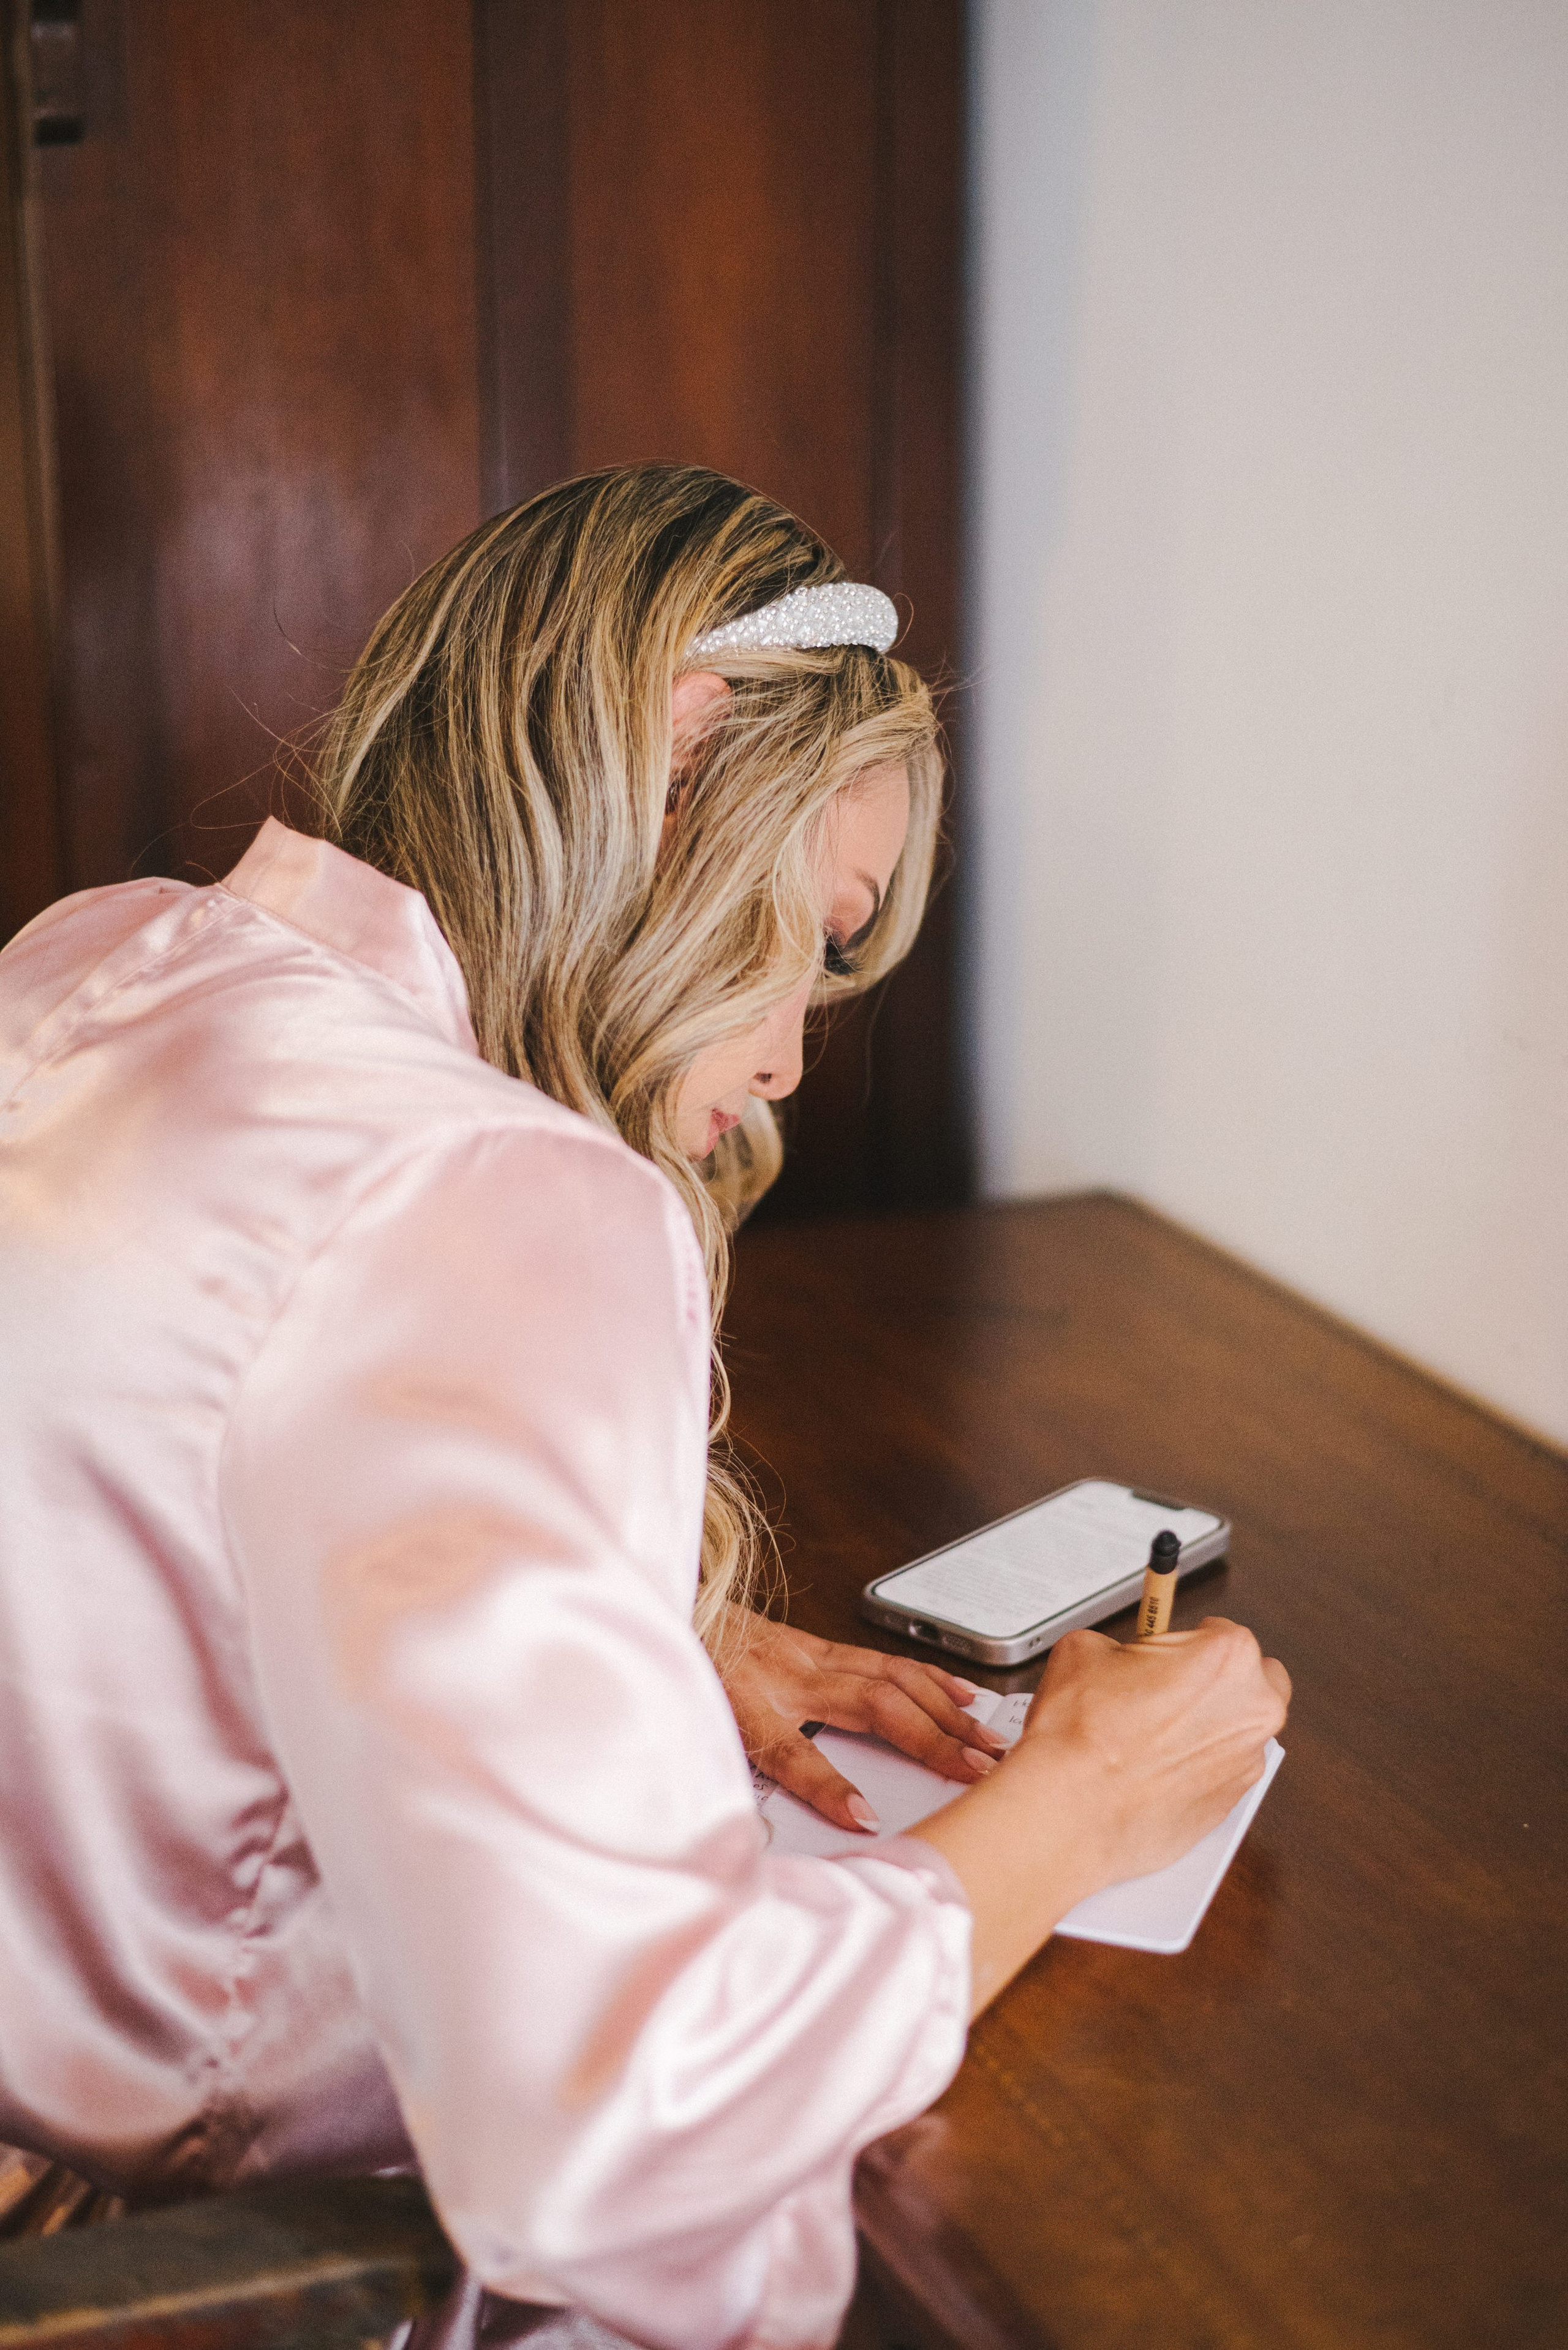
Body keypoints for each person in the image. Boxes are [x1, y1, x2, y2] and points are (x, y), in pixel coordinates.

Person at [0, 464, 1289, 2349]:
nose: (778, 1059)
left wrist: (626, 1644)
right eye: (809, 939)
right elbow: (615, 2116)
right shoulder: (503, 1196)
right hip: (206, 2268)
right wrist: (1081, 1805)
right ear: (681, 758)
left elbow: (139, 1558)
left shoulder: (100, 958)